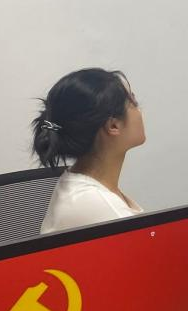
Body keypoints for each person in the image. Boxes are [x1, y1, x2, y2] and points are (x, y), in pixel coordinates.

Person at [34, 68, 145, 233]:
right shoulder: (97, 205)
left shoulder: (83, 185)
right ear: (113, 125)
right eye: (134, 103)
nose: (140, 111)